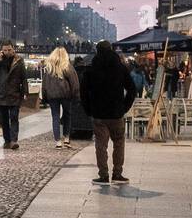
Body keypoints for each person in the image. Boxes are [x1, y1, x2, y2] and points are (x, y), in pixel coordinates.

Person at [80, 40, 137, 185]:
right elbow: (132, 89)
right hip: (116, 113)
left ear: (97, 51)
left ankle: (103, 175)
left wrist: (88, 109)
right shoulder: (120, 68)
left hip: (98, 114)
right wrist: (124, 107)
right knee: (119, 142)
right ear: (111, 50)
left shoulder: (91, 69)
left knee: (101, 145)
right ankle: (117, 174)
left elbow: (83, 93)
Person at [41, 47, 80, 149]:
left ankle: (58, 141)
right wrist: (76, 95)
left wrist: (44, 97)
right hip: (66, 95)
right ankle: (66, 138)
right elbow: (74, 83)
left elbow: (44, 84)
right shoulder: (67, 66)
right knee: (67, 115)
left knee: (55, 117)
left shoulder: (49, 68)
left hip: (52, 95)